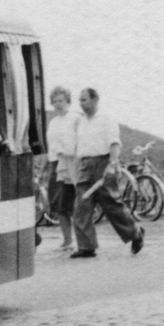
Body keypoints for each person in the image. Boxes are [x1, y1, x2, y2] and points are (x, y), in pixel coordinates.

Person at [69, 87, 143, 258]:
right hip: (85, 165)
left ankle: (136, 233)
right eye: (79, 100)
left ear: (95, 100)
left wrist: (112, 164)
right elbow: (79, 147)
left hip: (103, 163)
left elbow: (114, 143)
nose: (81, 103)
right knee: (81, 205)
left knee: (111, 204)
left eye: (84, 100)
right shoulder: (81, 122)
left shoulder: (106, 118)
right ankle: (86, 246)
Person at [44, 86, 80, 252]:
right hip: (55, 164)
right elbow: (51, 147)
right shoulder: (53, 122)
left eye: (61, 100)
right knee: (58, 204)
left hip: (71, 164)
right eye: (55, 101)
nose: (58, 104)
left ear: (68, 101)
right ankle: (67, 240)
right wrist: (46, 166)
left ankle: (82, 239)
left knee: (71, 204)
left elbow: (81, 141)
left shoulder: (75, 118)